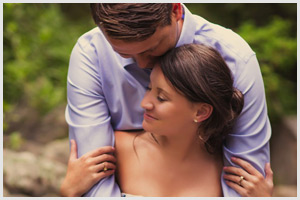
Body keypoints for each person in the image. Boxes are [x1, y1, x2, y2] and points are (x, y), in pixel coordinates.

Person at [65, 3, 271, 196]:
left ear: (175, 10)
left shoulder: (236, 59)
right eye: (125, 55)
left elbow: (247, 180)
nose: (144, 64)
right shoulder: (91, 53)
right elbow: (92, 177)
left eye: (151, 49)